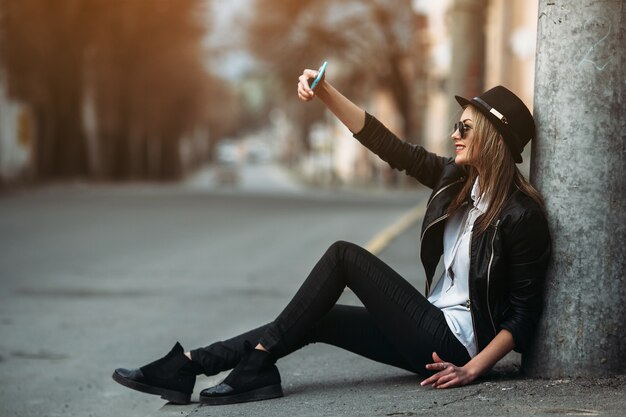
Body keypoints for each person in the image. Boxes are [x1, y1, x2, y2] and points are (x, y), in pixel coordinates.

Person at [112, 66, 551, 406]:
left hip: (455, 343)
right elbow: (386, 144)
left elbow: (522, 316)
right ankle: (191, 365)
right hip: (428, 331)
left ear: (492, 138)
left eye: (465, 129)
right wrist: (325, 91)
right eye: (456, 126)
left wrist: (473, 370)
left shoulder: (520, 214)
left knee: (344, 256)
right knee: (316, 316)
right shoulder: (455, 181)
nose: (453, 135)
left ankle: (258, 363)